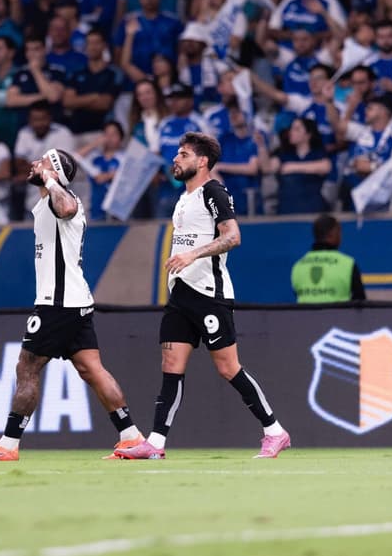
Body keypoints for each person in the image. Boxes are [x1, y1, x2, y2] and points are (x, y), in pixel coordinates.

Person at [116, 132, 291, 460]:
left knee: (228, 368)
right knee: (171, 365)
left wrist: (192, 255)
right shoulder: (183, 198)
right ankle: (155, 443)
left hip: (210, 294)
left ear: (202, 161)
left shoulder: (214, 190)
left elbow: (233, 236)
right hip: (180, 294)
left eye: (183, 154)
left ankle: (275, 431)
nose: (176, 159)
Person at [0, 148, 143, 461]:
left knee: (27, 366)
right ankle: (131, 436)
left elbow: (68, 208)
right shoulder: (46, 200)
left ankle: (8, 445)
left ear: (56, 172)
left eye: (44, 161)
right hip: (75, 301)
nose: (35, 163)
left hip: (58, 304)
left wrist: (51, 181)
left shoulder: (60, 198)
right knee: (92, 369)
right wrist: (49, 182)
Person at [291, 213, 366, 303]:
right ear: (332, 234)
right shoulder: (347, 264)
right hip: (339, 316)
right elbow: (360, 303)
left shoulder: (298, 266)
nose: (340, 237)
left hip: (305, 317)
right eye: (339, 232)